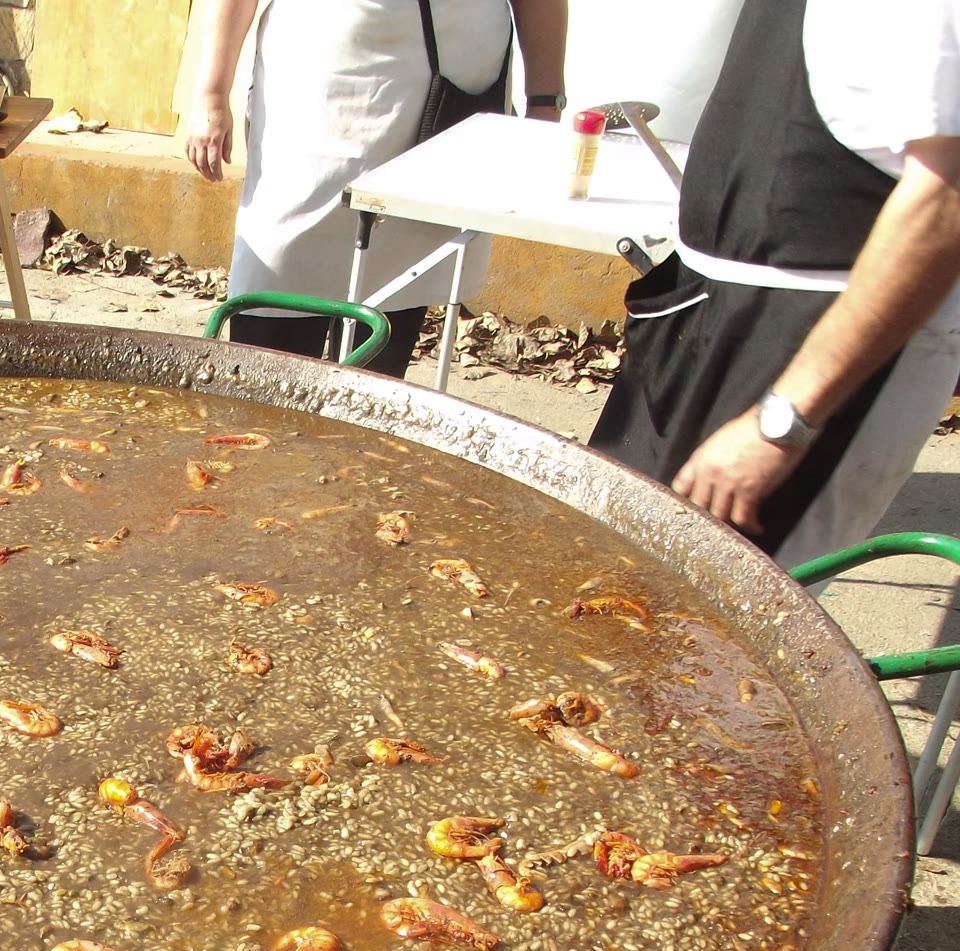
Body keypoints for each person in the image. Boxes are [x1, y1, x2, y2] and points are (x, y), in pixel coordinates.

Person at [589, 0, 960, 569]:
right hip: (706, 307)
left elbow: (945, 198)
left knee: (722, 604)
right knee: (608, 565)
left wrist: (783, 423)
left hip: (814, 337)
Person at [184, 0, 568, 377]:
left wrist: (545, 104)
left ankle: (362, 411)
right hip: (317, 97)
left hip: (448, 96)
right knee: (278, 283)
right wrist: (212, 93)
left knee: (398, 286)